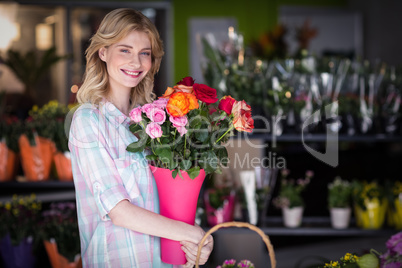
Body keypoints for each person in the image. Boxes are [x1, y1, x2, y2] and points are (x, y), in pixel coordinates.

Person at [68, 8, 213, 268]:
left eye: (144, 53)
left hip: (164, 261)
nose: (136, 63)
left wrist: (194, 238)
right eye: (125, 50)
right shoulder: (88, 121)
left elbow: (165, 200)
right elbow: (119, 211)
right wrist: (193, 234)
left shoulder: (153, 122)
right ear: (103, 52)